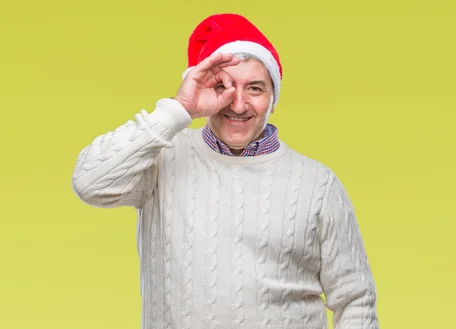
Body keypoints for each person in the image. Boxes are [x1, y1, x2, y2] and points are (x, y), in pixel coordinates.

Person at [71, 13, 379, 329]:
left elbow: (355, 300)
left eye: (255, 89)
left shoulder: (317, 184)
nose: (238, 104)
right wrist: (179, 110)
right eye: (224, 86)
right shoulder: (162, 157)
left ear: (273, 98)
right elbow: (89, 182)